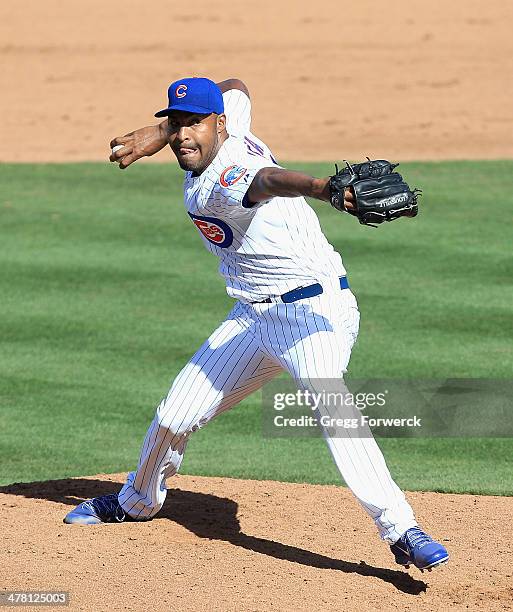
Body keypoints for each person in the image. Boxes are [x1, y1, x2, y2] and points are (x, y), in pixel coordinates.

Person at [64, 77, 449, 573]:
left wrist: (323, 188)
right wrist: (160, 131)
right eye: (178, 123)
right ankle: (137, 501)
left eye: (194, 124)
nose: (184, 135)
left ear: (218, 124)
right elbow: (236, 85)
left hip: (314, 312)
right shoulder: (229, 120)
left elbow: (266, 180)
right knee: (172, 417)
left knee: (332, 404)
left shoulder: (220, 184)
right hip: (250, 315)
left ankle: (401, 529)